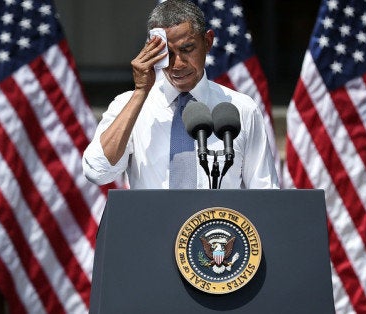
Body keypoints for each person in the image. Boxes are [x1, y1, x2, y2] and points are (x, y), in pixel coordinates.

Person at [82, 0, 279, 189]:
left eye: (187, 49)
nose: (177, 64)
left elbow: (265, 192)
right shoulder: (129, 105)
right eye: (167, 53)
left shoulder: (241, 108)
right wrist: (141, 92)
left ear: (208, 41)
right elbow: (97, 172)